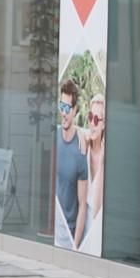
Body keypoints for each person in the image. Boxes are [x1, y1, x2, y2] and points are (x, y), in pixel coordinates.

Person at [55, 79, 88, 250]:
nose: (64, 113)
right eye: (62, 106)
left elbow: (83, 204)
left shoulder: (81, 150)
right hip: (52, 231)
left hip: (68, 235)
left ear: (75, 110)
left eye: (68, 108)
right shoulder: (53, 137)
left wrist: (75, 246)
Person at [80, 94, 105, 247]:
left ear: (104, 124)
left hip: (98, 235)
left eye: (97, 119)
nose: (92, 123)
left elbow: (98, 208)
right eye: (90, 117)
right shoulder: (84, 148)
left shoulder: (106, 156)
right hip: (81, 234)